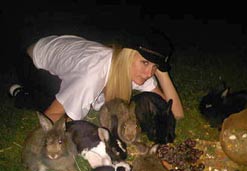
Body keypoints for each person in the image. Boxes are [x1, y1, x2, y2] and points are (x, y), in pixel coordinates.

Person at [10, 30, 184, 123]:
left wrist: (163, 73)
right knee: (60, 107)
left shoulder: (139, 70)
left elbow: (175, 113)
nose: (148, 74)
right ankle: (21, 94)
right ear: (127, 56)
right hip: (32, 63)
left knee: (83, 103)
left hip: (70, 50)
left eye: (154, 67)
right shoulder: (92, 75)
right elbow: (52, 116)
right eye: (145, 63)